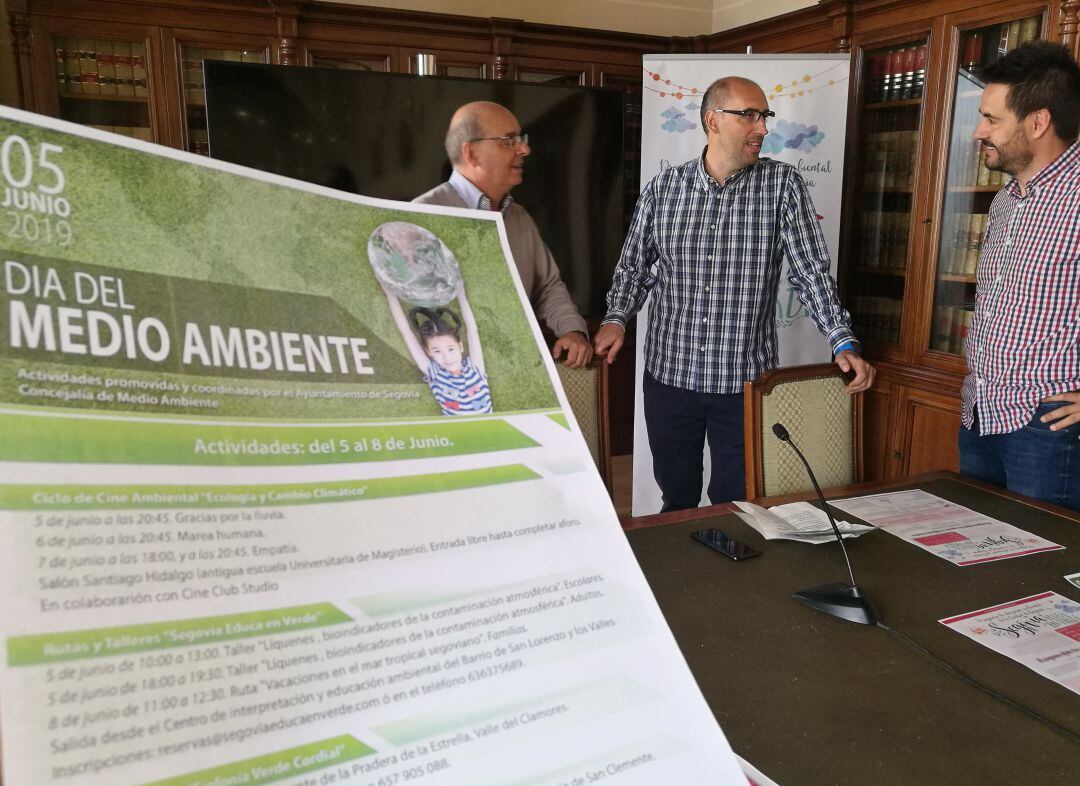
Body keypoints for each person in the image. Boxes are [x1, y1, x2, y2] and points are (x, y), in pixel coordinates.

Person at [593, 76, 874, 511]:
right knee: (677, 497)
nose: (762, 128)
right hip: (671, 378)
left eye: (765, 116)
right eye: (750, 115)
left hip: (743, 382)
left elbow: (810, 272)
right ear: (713, 120)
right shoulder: (663, 190)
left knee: (737, 503)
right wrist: (616, 317)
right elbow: (635, 267)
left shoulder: (783, 187)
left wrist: (842, 338)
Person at [959, 41, 1080, 510]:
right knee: (974, 564)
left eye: (991, 119)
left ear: (1038, 121)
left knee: (1040, 577)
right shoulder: (1005, 201)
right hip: (979, 413)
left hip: (1048, 429)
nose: (978, 132)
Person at [415, 101, 592, 368]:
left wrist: (572, 330)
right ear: (472, 153)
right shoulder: (419, 217)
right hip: (450, 380)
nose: (524, 149)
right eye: (508, 141)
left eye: (520, 139)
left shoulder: (520, 218)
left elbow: (548, 287)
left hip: (516, 371)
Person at [383, 283, 492, 416]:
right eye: (437, 351)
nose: (446, 357)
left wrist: (461, 295)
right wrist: (390, 295)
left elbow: (472, 331)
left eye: (451, 349)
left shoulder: (475, 367)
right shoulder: (434, 373)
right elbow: (407, 333)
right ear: (429, 353)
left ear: (460, 346)